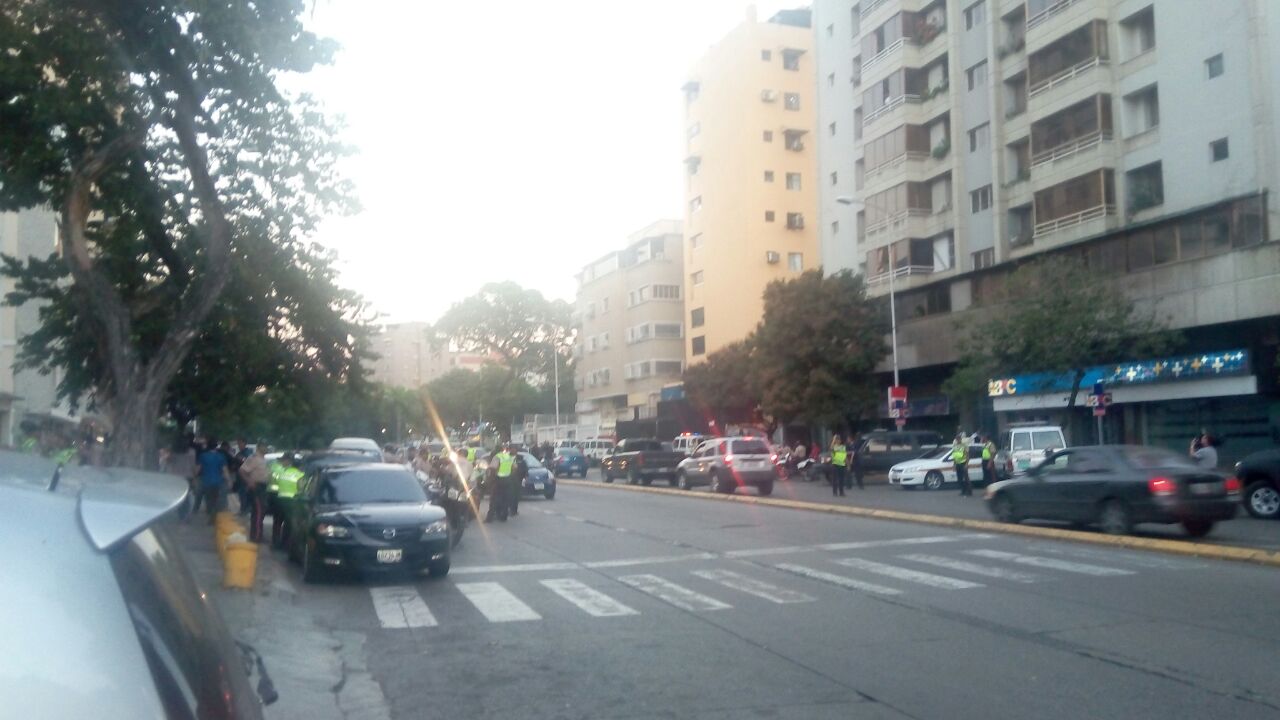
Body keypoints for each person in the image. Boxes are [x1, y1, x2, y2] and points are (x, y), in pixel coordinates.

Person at [271, 454, 304, 548]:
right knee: (288, 524)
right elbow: (301, 488)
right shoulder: (300, 474)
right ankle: (285, 544)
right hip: (292, 501)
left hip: (280, 500)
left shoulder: (282, 472)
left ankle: (275, 543)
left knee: (277, 522)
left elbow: (275, 482)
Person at [238, 449, 271, 542]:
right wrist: (249, 481)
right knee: (259, 511)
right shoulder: (254, 458)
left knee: (260, 511)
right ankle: (256, 536)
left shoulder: (263, 459)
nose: (266, 447)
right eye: (264, 446)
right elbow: (242, 470)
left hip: (263, 487)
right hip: (257, 487)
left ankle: (257, 534)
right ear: (260, 446)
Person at [196, 439, 231, 524]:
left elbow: (198, 469)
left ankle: (211, 516)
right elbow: (224, 470)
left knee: (209, 500)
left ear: (208, 446)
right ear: (216, 446)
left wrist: (195, 476)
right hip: (218, 482)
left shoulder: (203, 456)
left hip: (206, 481)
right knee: (216, 500)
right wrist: (229, 480)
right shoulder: (221, 456)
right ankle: (214, 517)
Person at [486, 445, 514, 522]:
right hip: (508, 479)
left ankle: (490, 518)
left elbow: (493, 468)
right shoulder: (508, 456)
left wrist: (491, 478)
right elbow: (514, 467)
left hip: (498, 479)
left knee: (493, 498)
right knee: (505, 498)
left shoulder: (497, 457)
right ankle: (504, 516)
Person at [510, 450, 527, 517]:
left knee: (514, 496)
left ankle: (513, 510)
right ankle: (513, 510)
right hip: (515, 480)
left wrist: (524, 477)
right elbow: (525, 470)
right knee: (514, 496)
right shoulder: (518, 460)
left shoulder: (518, 460)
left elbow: (525, 470)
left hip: (515, 480)